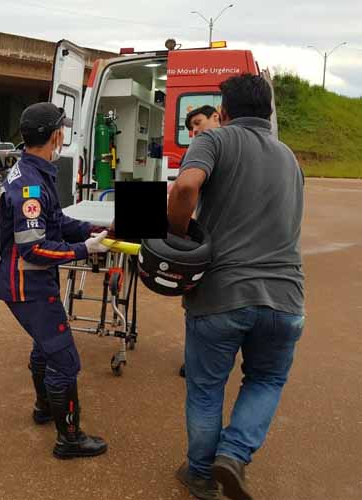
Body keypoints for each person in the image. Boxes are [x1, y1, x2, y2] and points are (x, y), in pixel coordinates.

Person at [168, 75, 304, 500]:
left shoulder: (215, 140)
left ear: (223, 113)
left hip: (222, 294)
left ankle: (202, 474)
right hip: (286, 298)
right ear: (268, 113)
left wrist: (179, 235)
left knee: (207, 389)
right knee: (265, 380)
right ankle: (235, 453)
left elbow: (186, 186)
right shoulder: (290, 159)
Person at [0, 102, 110, 459]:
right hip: (28, 283)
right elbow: (34, 249)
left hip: (24, 280)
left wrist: (93, 229)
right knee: (65, 360)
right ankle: (68, 439)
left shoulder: (33, 171)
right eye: (62, 129)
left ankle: (44, 407)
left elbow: (55, 222)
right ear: (55, 135)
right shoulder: (31, 186)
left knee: (45, 345)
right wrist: (85, 250)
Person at [179, 105, 222, 379]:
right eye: (192, 128)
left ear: (217, 116)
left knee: (201, 302)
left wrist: (176, 233)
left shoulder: (209, 145)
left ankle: (198, 360)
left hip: (217, 247)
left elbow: (184, 187)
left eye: (198, 123)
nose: (195, 132)